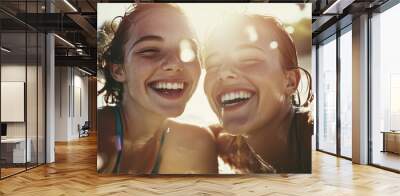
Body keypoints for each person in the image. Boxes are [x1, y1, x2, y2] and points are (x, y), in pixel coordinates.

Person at [97, 3, 218, 174]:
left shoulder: (199, 142)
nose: (175, 63)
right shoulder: (99, 133)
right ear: (118, 69)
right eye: (151, 50)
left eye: (188, 50)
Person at [203, 14, 313, 173]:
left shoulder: (313, 139)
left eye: (248, 59)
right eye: (212, 64)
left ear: (290, 81)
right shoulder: (217, 142)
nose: (223, 72)